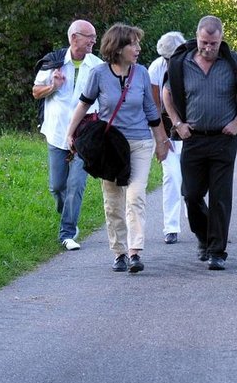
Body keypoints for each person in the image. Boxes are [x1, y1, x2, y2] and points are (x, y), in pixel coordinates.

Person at [66, 23, 169, 274]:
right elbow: (84, 104)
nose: (138, 48)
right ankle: (119, 252)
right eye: (133, 44)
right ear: (118, 47)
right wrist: (70, 133)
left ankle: (135, 252)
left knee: (135, 196)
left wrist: (161, 141)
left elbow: (150, 109)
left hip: (139, 142)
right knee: (113, 201)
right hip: (110, 145)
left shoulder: (141, 73)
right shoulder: (99, 74)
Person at [162, 15, 237, 271]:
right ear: (197, 37)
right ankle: (205, 238)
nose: (208, 48)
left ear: (221, 39)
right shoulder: (182, 63)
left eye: (213, 43)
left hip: (223, 139)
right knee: (191, 194)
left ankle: (217, 251)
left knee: (220, 197)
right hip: (193, 138)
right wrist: (177, 123)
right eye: (204, 42)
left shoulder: (233, 62)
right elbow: (166, 93)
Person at [33, 20, 103, 251]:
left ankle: (68, 232)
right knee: (57, 186)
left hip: (85, 134)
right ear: (74, 37)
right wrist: (53, 86)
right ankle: (67, 214)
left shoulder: (97, 66)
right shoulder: (53, 62)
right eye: (90, 37)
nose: (94, 41)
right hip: (57, 132)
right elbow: (36, 92)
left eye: (94, 37)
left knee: (76, 184)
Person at [148, 31, 187, 245]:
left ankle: (196, 216)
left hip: (191, 129)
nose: (169, 62)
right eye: (166, 58)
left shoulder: (192, 64)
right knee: (171, 176)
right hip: (166, 128)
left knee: (191, 177)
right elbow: (154, 105)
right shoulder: (156, 68)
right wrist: (161, 139)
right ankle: (171, 227)